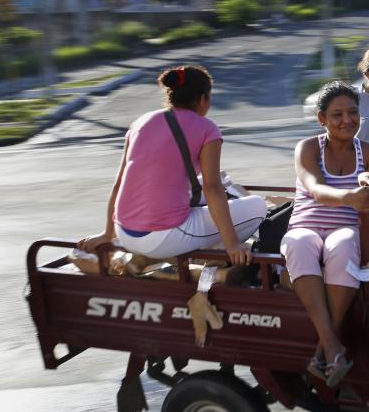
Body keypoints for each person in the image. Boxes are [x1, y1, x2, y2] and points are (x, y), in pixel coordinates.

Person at [78, 65, 267, 265]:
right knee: (257, 206)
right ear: (203, 99)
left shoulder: (141, 122)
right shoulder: (207, 128)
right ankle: (215, 255)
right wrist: (232, 244)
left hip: (123, 231)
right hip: (161, 238)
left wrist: (106, 234)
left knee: (205, 188)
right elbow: (212, 188)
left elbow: (119, 184)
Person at [280, 81, 369, 387]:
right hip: (306, 225)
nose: (347, 120)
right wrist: (349, 196)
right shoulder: (308, 147)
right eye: (337, 114)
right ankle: (332, 345)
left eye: (353, 112)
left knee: (345, 244)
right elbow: (313, 187)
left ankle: (324, 349)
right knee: (299, 243)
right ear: (321, 119)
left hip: (345, 228)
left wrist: (367, 182)